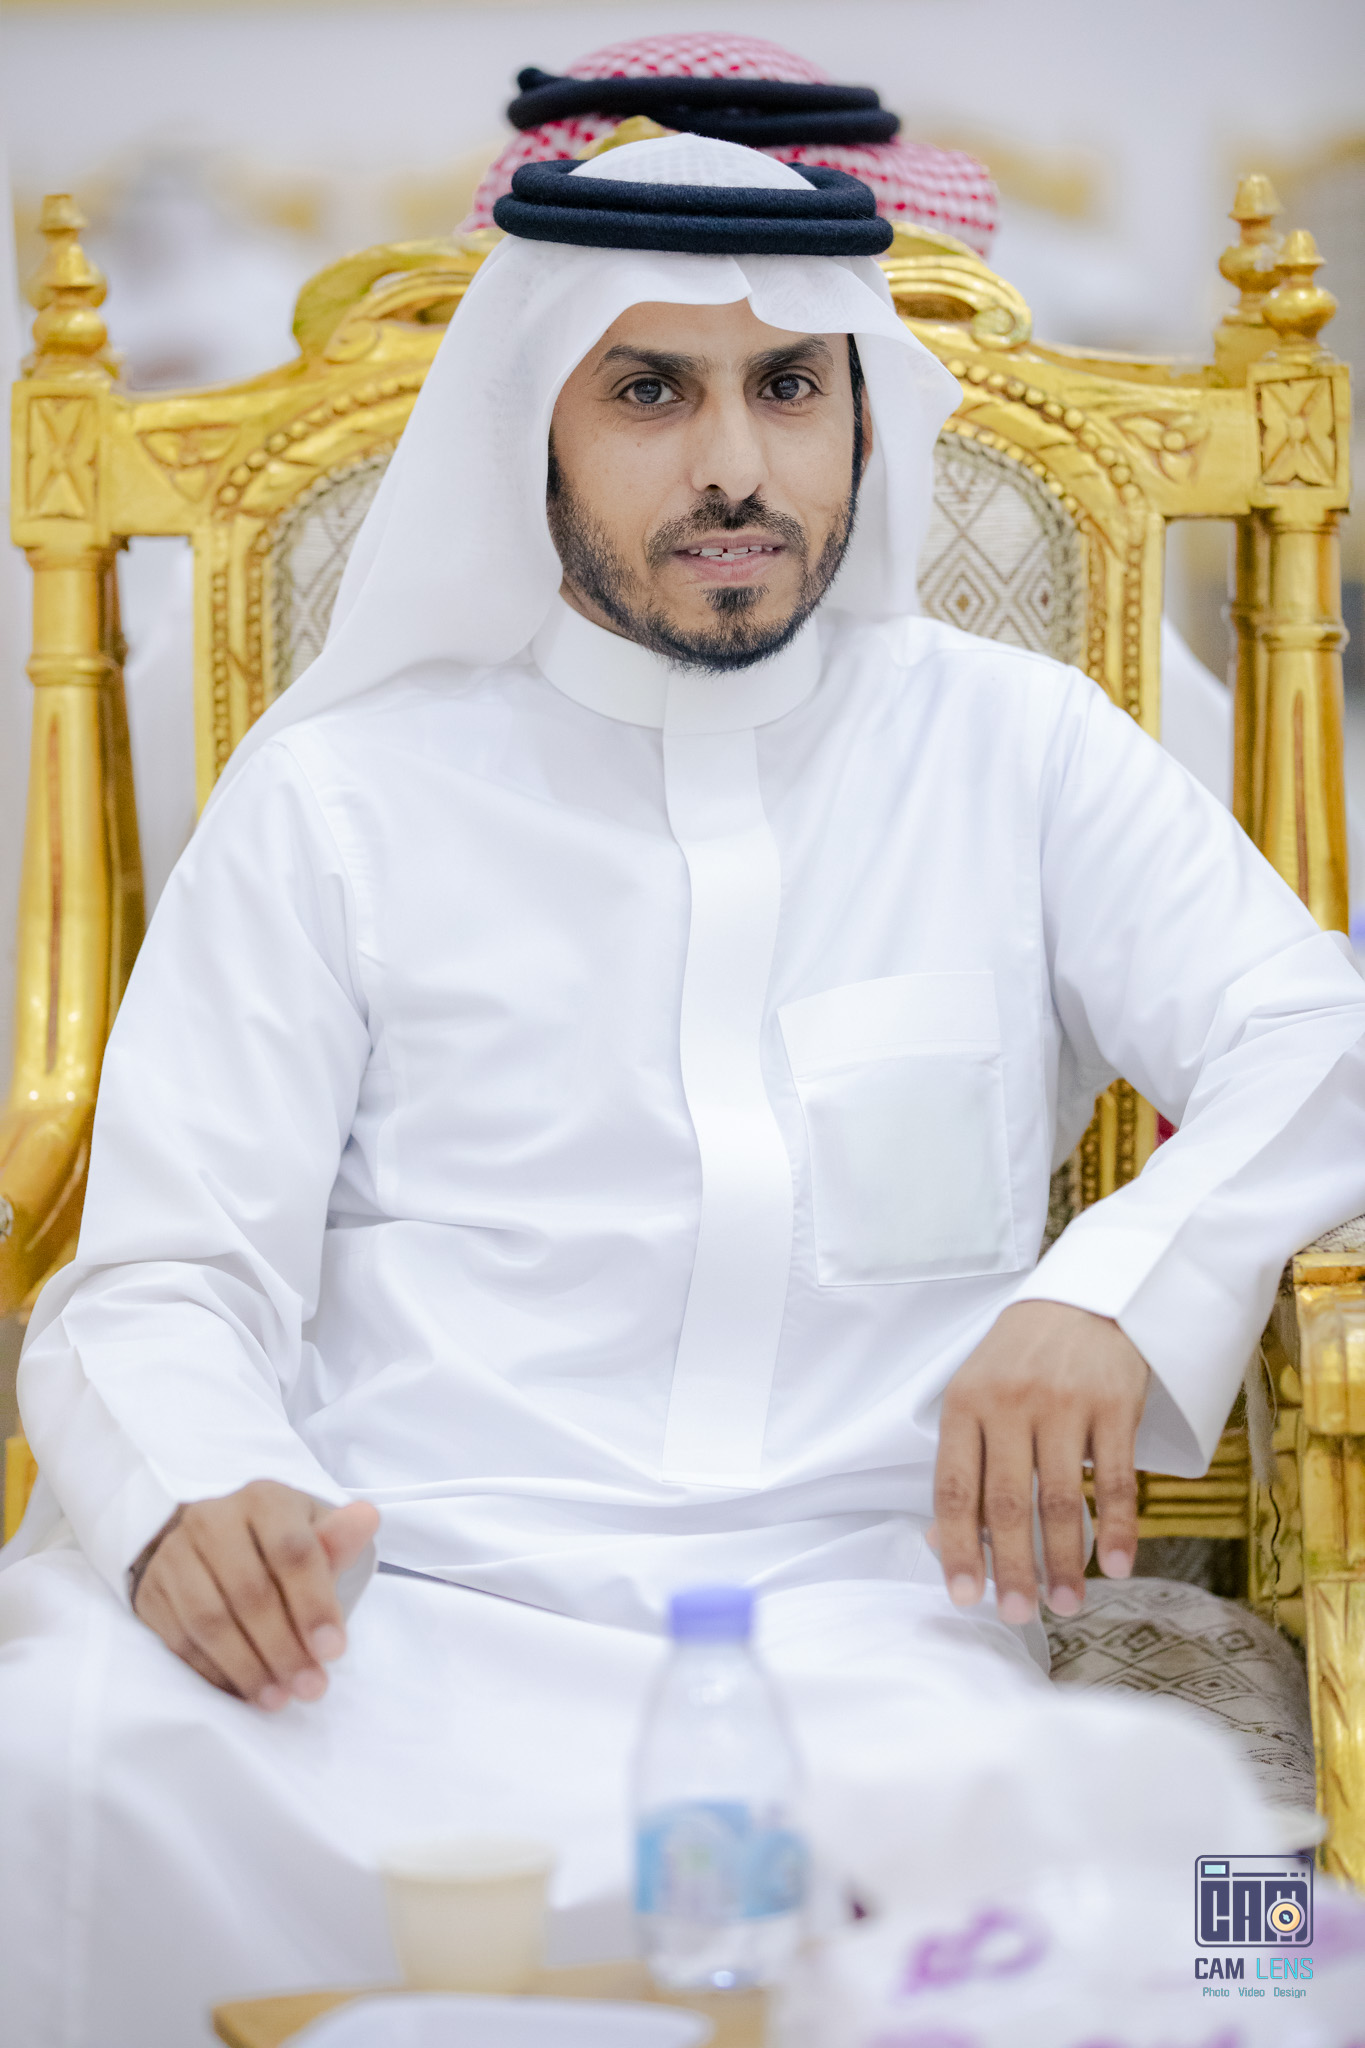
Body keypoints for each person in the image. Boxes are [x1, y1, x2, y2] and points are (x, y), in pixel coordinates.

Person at [2, 134, 1363, 2047]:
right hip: (380, 1620)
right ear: (533, 432)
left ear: (860, 418)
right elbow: (163, 1268)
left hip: (852, 1647)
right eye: (649, 392)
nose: (735, 464)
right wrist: (190, 1495)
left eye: (788, 387)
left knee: (1192, 1909)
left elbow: (1316, 1035)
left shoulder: (1017, 751)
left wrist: (1112, 1289)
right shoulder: (338, 798)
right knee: (54, 1776)